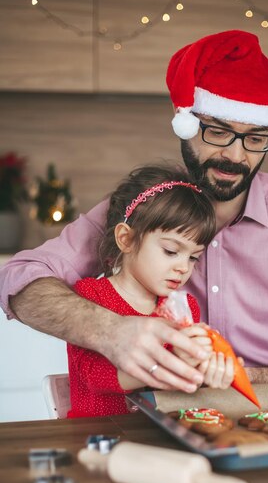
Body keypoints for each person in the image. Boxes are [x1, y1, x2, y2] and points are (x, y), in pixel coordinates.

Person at [0, 30, 268, 391]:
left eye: (256, 138)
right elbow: (20, 279)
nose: (236, 155)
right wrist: (110, 331)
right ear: (187, 127)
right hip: (155, 418)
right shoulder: (142, 205)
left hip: (266, 414)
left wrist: (240, 377)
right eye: (218, 132)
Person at [66, 165, 235, 417]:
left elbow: (183, 392)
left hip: (159, 435)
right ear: (126, 239)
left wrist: (207, 372)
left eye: (193, 258)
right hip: (98, 435)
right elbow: (95, 377)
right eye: (170, 251)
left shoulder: (185, 307)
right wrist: (175, 364)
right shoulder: (91, 296)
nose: (182, 268)